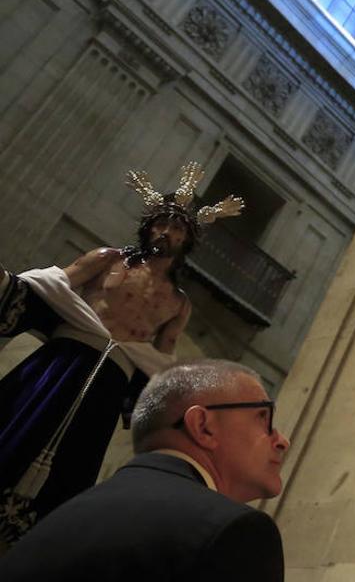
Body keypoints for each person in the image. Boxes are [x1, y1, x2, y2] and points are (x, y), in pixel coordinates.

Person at [0, 163, 243, 546]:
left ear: (187, 240)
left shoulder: (178, 304)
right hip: (61, 364)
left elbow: (160, 366)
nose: (165, 231)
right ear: (148, 227)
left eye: (176, 227)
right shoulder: (107, 259)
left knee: (73, 465)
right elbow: (52, 284)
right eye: (160, 223)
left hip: (107, 388)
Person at [0, 359, 289, 581]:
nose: (282, 441)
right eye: (263, 418)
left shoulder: (71, 514)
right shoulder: (234, 532)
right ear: (203, 426)